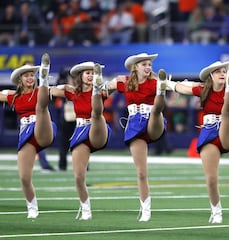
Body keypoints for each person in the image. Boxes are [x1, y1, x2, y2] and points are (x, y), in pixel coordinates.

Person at [165, 60, 229, 223]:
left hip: (228, 130)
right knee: (211, 179)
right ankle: (216, 211)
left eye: (224, 71)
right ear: (210, 76)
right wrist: (165, 82)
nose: (222, 73)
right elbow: (181, 87)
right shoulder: (203, 90)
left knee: (228, 109)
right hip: (209, 132)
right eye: (218, 71)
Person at [105, 53, 167, 222]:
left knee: (156, 109)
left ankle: (160, 95)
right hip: (135, 126)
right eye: (144, 64)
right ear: (135, 67)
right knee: (141, 173)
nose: (148, 67)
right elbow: (105, 88)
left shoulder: (155, 82)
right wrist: (97, 87)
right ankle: (145, 209)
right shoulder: (124, 82)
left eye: (150, 65)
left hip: (154, 122)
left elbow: (178, 87)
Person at [50, 61, 111, 220]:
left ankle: (95, 94)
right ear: (80, 76)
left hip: (98, 129)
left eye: (93, 73)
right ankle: (86, 209)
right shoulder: (73, 92)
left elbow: (116, 84)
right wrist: (45, 83)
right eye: (87, 73)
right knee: (78, 177)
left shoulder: (103, 90)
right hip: (80, 131)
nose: (90, 75)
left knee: (97, 113)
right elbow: (50, 92)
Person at [0, 53, 57, 218]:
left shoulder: (40, 91)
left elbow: (60, 91)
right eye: (26, 76)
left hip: (44, 128)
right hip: (26, 135)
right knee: (24, 178)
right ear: (20, 79)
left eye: (33, 75)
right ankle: (32, 207)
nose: (30, 78)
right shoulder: (14, 96)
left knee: (41, 106)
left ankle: (45, 77)